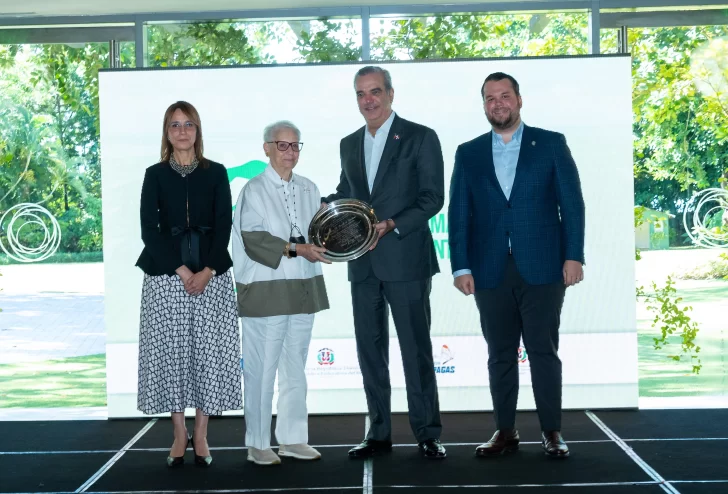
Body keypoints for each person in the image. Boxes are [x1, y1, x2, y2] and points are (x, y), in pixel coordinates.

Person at [448, 72, 585, 459]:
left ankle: (552, 432)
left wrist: (574, 255)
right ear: (484, 106)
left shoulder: (551, 144)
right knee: (500, 354)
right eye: (490, 98)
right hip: (489, 270)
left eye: (504, 95)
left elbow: (572, 205)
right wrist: (461, 267)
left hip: (544, 267)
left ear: (519, 100)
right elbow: (459, 214)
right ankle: (505, 431)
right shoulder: (468, 152)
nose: (498, 104)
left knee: (543, 350)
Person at [322, 66, 446, 459]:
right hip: (361, 265)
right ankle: (378, 432)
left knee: (415, 350)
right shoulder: (348, 143)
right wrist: (328, 206)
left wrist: (392, 225)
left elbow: (432, 198)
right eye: (361, 94)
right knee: (370, 351)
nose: (368, 100)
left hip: (406, 260)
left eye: (375, 91)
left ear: (391, 93)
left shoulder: (420, 137)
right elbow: (349, 192)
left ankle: (427, 433)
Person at [136, 101, 242, 467]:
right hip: (167, 279)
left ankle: (201, 433)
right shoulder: (154, 174)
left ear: (198, 131)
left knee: (206, 356)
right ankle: (179, 432)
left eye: (189, 125)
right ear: (167, 132)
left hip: (211, 276)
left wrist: (207, 271)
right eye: (175, 125)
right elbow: (149, 230)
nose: (182, 131)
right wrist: (182, 271)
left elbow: (224, 224)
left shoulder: (216, 173)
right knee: (172, 356)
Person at [232, 121, 330, 466]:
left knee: (294, 368)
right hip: (264, 291)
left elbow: (321, 234)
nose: (290, 152)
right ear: (267, 148)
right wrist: (298, 249)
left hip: (304, 288)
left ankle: (292, 439)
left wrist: (329, 247)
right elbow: (253, 238)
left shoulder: (309, 188)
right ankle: (258, 443)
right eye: (282, 145)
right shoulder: (254, 189)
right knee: (260, 369)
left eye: (295, 146)